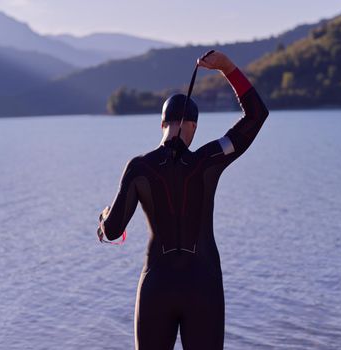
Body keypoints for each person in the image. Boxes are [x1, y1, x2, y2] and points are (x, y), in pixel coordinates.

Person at [97, 50, 269, 350]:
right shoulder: (209, 159)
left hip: (157, 287)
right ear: (192, 126)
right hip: (203, 285)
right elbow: (256, 115)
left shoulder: (139, 167)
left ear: (162, 124)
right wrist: (227, 68)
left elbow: (112, 230)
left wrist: (103, 218)